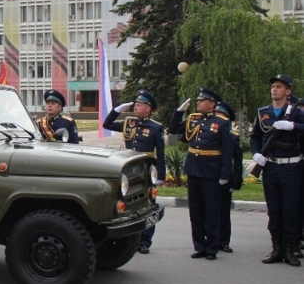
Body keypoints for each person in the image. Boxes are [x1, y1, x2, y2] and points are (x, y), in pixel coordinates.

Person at [169, 87, 233, 260]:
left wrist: (225, 174)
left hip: (211, 171)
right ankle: (199, 246)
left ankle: (212, 248)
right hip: (194, 169)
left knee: (212, 212)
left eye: (202, 100)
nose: (198, 103)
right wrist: (178, 112)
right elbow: (173, 129)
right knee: (195, 211)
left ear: (212, 104)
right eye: (198, 100)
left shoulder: (222, 122)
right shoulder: (192, 119)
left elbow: (227, 151)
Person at [250, 74, 304, 267]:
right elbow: (255, 137)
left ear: (288, 91)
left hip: (291, 166)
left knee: (289, 210)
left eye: (279, 87)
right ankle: (277, 249)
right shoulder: (263, 112)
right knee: (274, 211)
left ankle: (290, 250)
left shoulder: (296, 112)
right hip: (271, 167)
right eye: (273, 86)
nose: (275, 89)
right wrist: (256, 154)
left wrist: (293, 126)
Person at [102, 89, 165, 254]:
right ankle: (131, 239)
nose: (135, 107)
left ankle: (145, 241)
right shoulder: (129, 123)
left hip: (144, 170)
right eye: (135, 104)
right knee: (128, 205)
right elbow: (106, 125)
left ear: (148, 108)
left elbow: (161, 153)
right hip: (129, 169)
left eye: (139, 105)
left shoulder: (155, 127)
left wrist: (161, 176)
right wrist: (117, 111)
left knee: (147, 206)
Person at [215, 100, 244, 253]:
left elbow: (237, 162)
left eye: (221, 115)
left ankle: (224, 241)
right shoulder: (210, 134)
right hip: (210, 176)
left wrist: (236, 181)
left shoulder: (232, 138)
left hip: (225, 178)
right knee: (209, 210)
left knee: (223, 211)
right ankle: (211, 238)